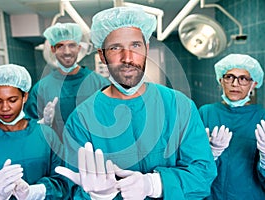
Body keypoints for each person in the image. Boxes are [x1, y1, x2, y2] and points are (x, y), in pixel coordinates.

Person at [55, 6, 217, 199]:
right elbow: (72, 189)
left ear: (147, 48)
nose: (128, 58)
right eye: (115, 48)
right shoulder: (82, 120)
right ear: (101, 55)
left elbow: (203, 174)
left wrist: (154, 184)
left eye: (135, 46)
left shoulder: (179, 106)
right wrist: (99, 196)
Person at [0, 64, 67, 199]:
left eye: (12, 100)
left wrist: (35, 192)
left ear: (24, 97)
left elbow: (65, 182)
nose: (5, 108)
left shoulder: (47, 135)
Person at [24, 23, 109, 140]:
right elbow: (29, 127)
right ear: (53, 49)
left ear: (79, 48)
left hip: (94, 151)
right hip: (57, 153)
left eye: (72, 45)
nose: (67, 52)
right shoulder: (41, 89)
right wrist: (43, 124)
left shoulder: (99, 83)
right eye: (60, 46)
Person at [198, 54, 265, 199]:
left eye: (243, 79)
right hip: (211, 195)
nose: (235, 84)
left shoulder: (262, 117)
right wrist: (209, 154)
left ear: (253, 84)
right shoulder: (206, 112)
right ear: (221, 80)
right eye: (229, 77)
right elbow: (189, 162)